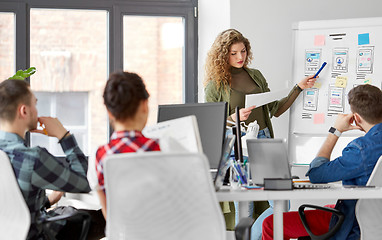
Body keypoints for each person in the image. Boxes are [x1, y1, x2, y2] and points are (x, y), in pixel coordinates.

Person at [204, 28, 316, 239]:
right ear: (223, 55)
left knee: (281, 202)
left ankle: (255, 235)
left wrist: (298, 88)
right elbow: (212, 122)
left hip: (264, 140)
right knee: (244, 204)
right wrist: (233, 118)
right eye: (233, 53)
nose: (240, 57)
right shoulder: (215, 84)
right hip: (238, 144)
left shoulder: (255, 76)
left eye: (243, 51)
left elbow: (276, 109)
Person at [262, 84, 382, 240]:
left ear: (356, 118)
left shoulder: (361, 149)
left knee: (271, 224)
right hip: (375, 221)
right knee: (328, 208)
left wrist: (335, 131)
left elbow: (316, 174)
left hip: (356, 224)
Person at [0, 79, 91, 239]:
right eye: (34, 104)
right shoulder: (31, 158)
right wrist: (63, 135)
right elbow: (85, 182)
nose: (37, 110)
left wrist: (48, 201)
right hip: (36, 235)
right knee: (95, 217)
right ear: (24, 111)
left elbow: (10, 208)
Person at [95, 71, 161, 219]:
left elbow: (110, 218)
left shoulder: (100, 156)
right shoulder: (164, 148)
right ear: (144, 105)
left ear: (109, 112)